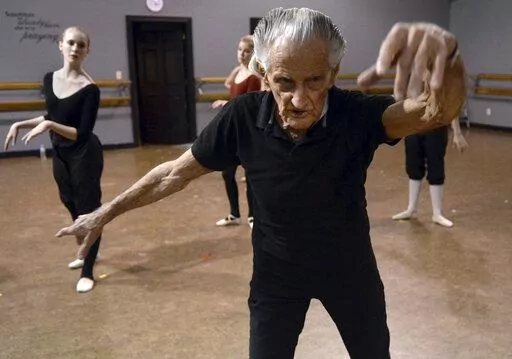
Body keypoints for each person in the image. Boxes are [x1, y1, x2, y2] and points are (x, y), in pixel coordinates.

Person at [56, 7, 466, 358]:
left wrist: (449, 57)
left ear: (333, 73)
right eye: (286, 83)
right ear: (264, 74)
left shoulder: (356, 115)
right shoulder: (242, 118)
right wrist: (105, 212)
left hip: (350, 271)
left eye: (316, 82)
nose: (301, 100)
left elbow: (437, 111)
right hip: (277, 276)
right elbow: (174, 173)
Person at [5, 26, 103, 294]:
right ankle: (87, 248)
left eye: (81, 45)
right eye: (71, 43)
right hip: (61, 154)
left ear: (87, 51)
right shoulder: (50, 79)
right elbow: (52, 115)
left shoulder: (90, 90)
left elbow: (81, 133)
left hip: (84, 153)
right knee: (69, 203)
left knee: (89, 210)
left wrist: (49, 125)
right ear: (60, 45)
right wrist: (22, 124)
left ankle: (88, 270)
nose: (75, 48)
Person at [211, 35, 261, 229]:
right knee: (227, 173)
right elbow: (229, 83)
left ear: (254, 52)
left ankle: (252, 216)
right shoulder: (240, 71)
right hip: (233, 130)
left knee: (250, 177)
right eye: (239, 50)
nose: (242, 54)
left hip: (248, 131)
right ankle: (234, 214)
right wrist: (237, 70)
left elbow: (249, 105)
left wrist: (227, 103)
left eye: (247, 50)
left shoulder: (255, 76)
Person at [392, 117, 469, 227]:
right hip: (413, 127)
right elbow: (400, 101)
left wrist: (457, 133)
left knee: (435, 166)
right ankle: (411, 208)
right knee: (413, 166)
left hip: (435, 126)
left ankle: (437, 213)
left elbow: (451, 106)